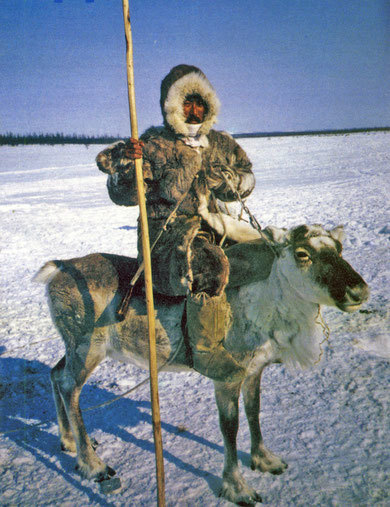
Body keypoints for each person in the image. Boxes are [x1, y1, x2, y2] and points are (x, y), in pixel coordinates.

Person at [96, 64, 255, 382]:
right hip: (165, 238)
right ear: (172, 107)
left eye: (200, 104)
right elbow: (120, 194)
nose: (194, 111)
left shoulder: (220, 143)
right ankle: (206, 351)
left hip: (214, 225)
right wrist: (130, 166)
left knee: (259, 253)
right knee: (209, 264)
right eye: (187, 103)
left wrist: (225, 180)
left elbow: (246, 180)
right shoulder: (154, 143)